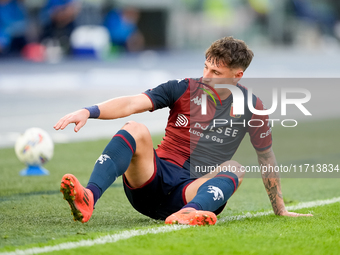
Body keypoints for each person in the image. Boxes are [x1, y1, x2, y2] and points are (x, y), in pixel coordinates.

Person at [54, 36, 312, 225]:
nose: (207, 76)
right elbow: (132, 103)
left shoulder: (253, 107)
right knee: (135, 128)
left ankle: (188, 214)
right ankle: (88, 197)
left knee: (235, 168)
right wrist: (89, 111)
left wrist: (280, 209)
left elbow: (266, 157)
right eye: (206, 67)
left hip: (191, 192)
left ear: (237, 76)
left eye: (216, 72)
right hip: (150, 182)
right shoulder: (183, 88)